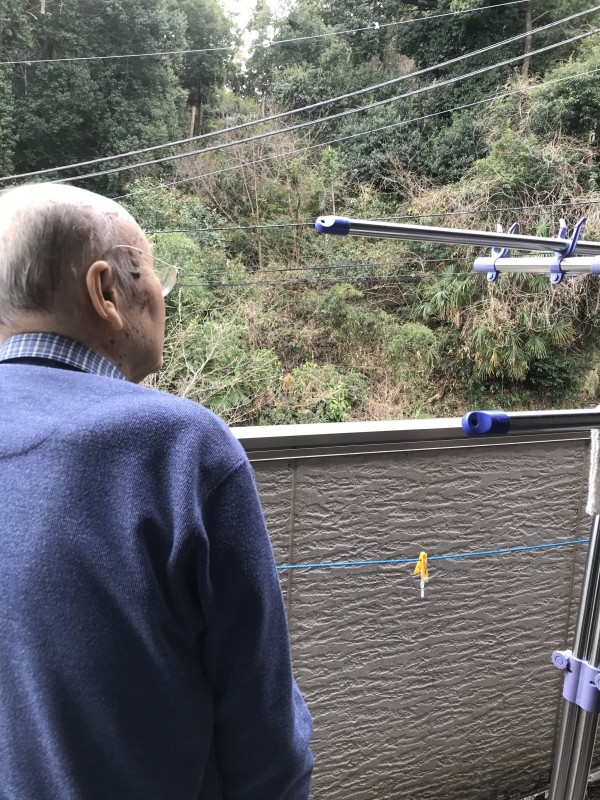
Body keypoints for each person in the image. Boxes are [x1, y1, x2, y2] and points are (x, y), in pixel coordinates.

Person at [0, 183, 313, 800]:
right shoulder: (178, 448)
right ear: (105, 291)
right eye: (152, 274)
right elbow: (264, 735)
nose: (162, 297)